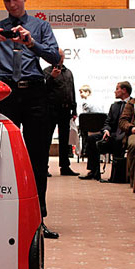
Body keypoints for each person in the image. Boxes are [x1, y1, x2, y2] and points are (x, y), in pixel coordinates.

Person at [0, 0, 61, 239]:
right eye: (7, 0)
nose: (12, 4)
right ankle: (3, 216)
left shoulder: (40, 26)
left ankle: (38, 219)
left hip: (35, 92)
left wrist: (31, 43)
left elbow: (54, 57)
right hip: (6, 94)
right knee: (2, 157)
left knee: (38, 158)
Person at [79, 81, 132, 181]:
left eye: (117, 89)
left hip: (125, 135)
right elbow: (107, 122)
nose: (115, 91)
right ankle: (93, 171)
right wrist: (106, 130)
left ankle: (117, 174)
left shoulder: (133, 104)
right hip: (112, 134)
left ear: (124, 90)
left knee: (118, 141)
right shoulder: (114, 106)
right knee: (92, 139)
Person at [44, 48, 79, 176]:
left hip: (65, 110)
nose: (60, 59)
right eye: (57, 56)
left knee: (64, 140)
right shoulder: (46, 72)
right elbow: (43, 89)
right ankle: (43, 167)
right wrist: (51, 77)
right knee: (46, 139)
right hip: (51, 110)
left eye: (61, 56)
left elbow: (72, 90)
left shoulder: (68, 72)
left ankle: (65, 167)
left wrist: (74, 109)